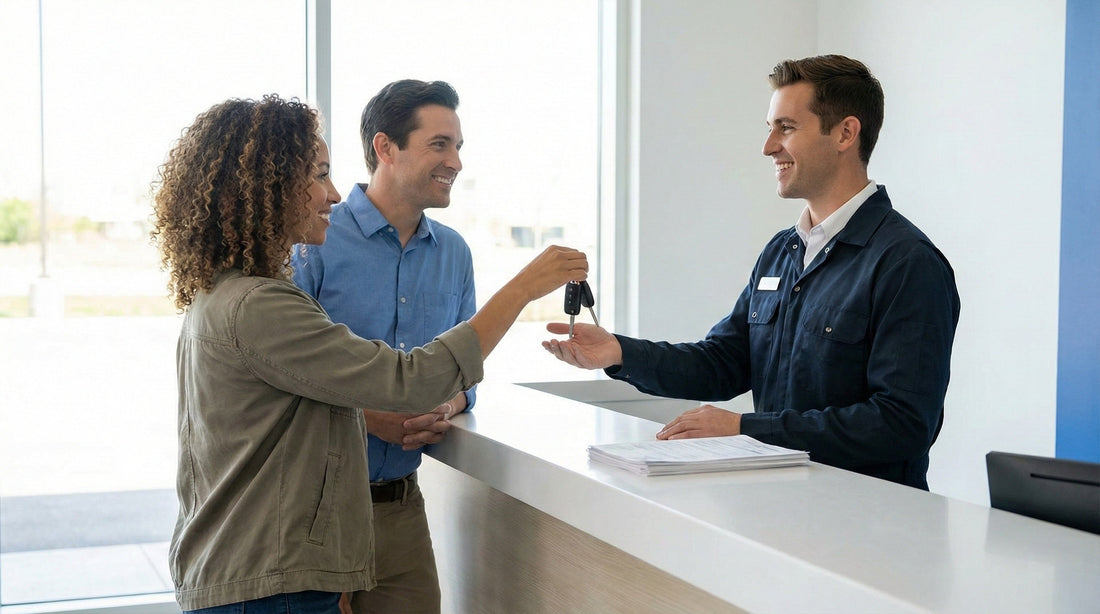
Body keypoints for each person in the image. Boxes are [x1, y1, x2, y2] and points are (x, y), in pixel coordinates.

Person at [151, 94, 588, 614]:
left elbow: (439, 383)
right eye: (317, 175)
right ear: (266, 189)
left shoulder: (229, 293)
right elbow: (409, 380)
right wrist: (521, 289)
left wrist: (449, 403)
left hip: (290, 557)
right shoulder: (260, 305)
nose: (331, 193)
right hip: (274, 572)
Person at [543, 55, 960, 490]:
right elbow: (724, 362)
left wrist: (746, 428)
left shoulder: (907, 263)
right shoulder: (781, 252)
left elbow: (901, 424)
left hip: (869, 525)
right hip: (778, 507)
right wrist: (619, 353)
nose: (768, 147)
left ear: (845, 133)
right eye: (770, 129)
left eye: (787, 128)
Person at [290, 79, 469, 613]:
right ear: (385, 148)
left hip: (402, 508)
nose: (455, 161)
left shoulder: (454, 254)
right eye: (440, 144)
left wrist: (448, 403)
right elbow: (287, 375)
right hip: (318, 513)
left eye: (458, 146)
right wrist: (371, 416)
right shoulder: (316, 238)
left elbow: (466, 371)